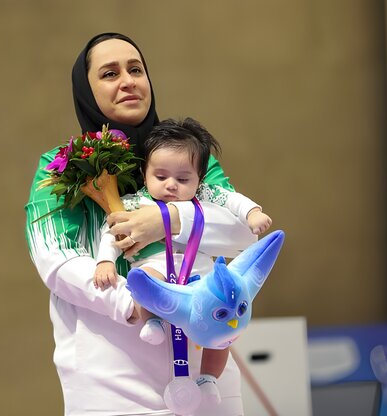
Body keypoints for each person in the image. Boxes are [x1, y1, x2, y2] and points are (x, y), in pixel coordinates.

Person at [25, 33, 257, 415]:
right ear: (87, 89)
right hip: (111, 377)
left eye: (136, 69)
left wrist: (167, 220)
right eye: (110, 73)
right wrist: (133, 303)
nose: (128, 80)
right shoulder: (61, 166)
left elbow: (243, 233)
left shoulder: (187, 155)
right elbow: (54, 258)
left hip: (206, 371)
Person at [94, 117, 272, 405]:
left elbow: (234, 200)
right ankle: (152, 322)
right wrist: (105, 262)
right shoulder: (134, 203)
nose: (171, 186)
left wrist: (253, 214)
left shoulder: (205, 196)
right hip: (157, 266)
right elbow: (111, 231)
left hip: (200, 277)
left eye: (183, 179)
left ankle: (209, 378)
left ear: (200, 178)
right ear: (144, 171)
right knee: (146, 282)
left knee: (221, 333)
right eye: (160, 177)